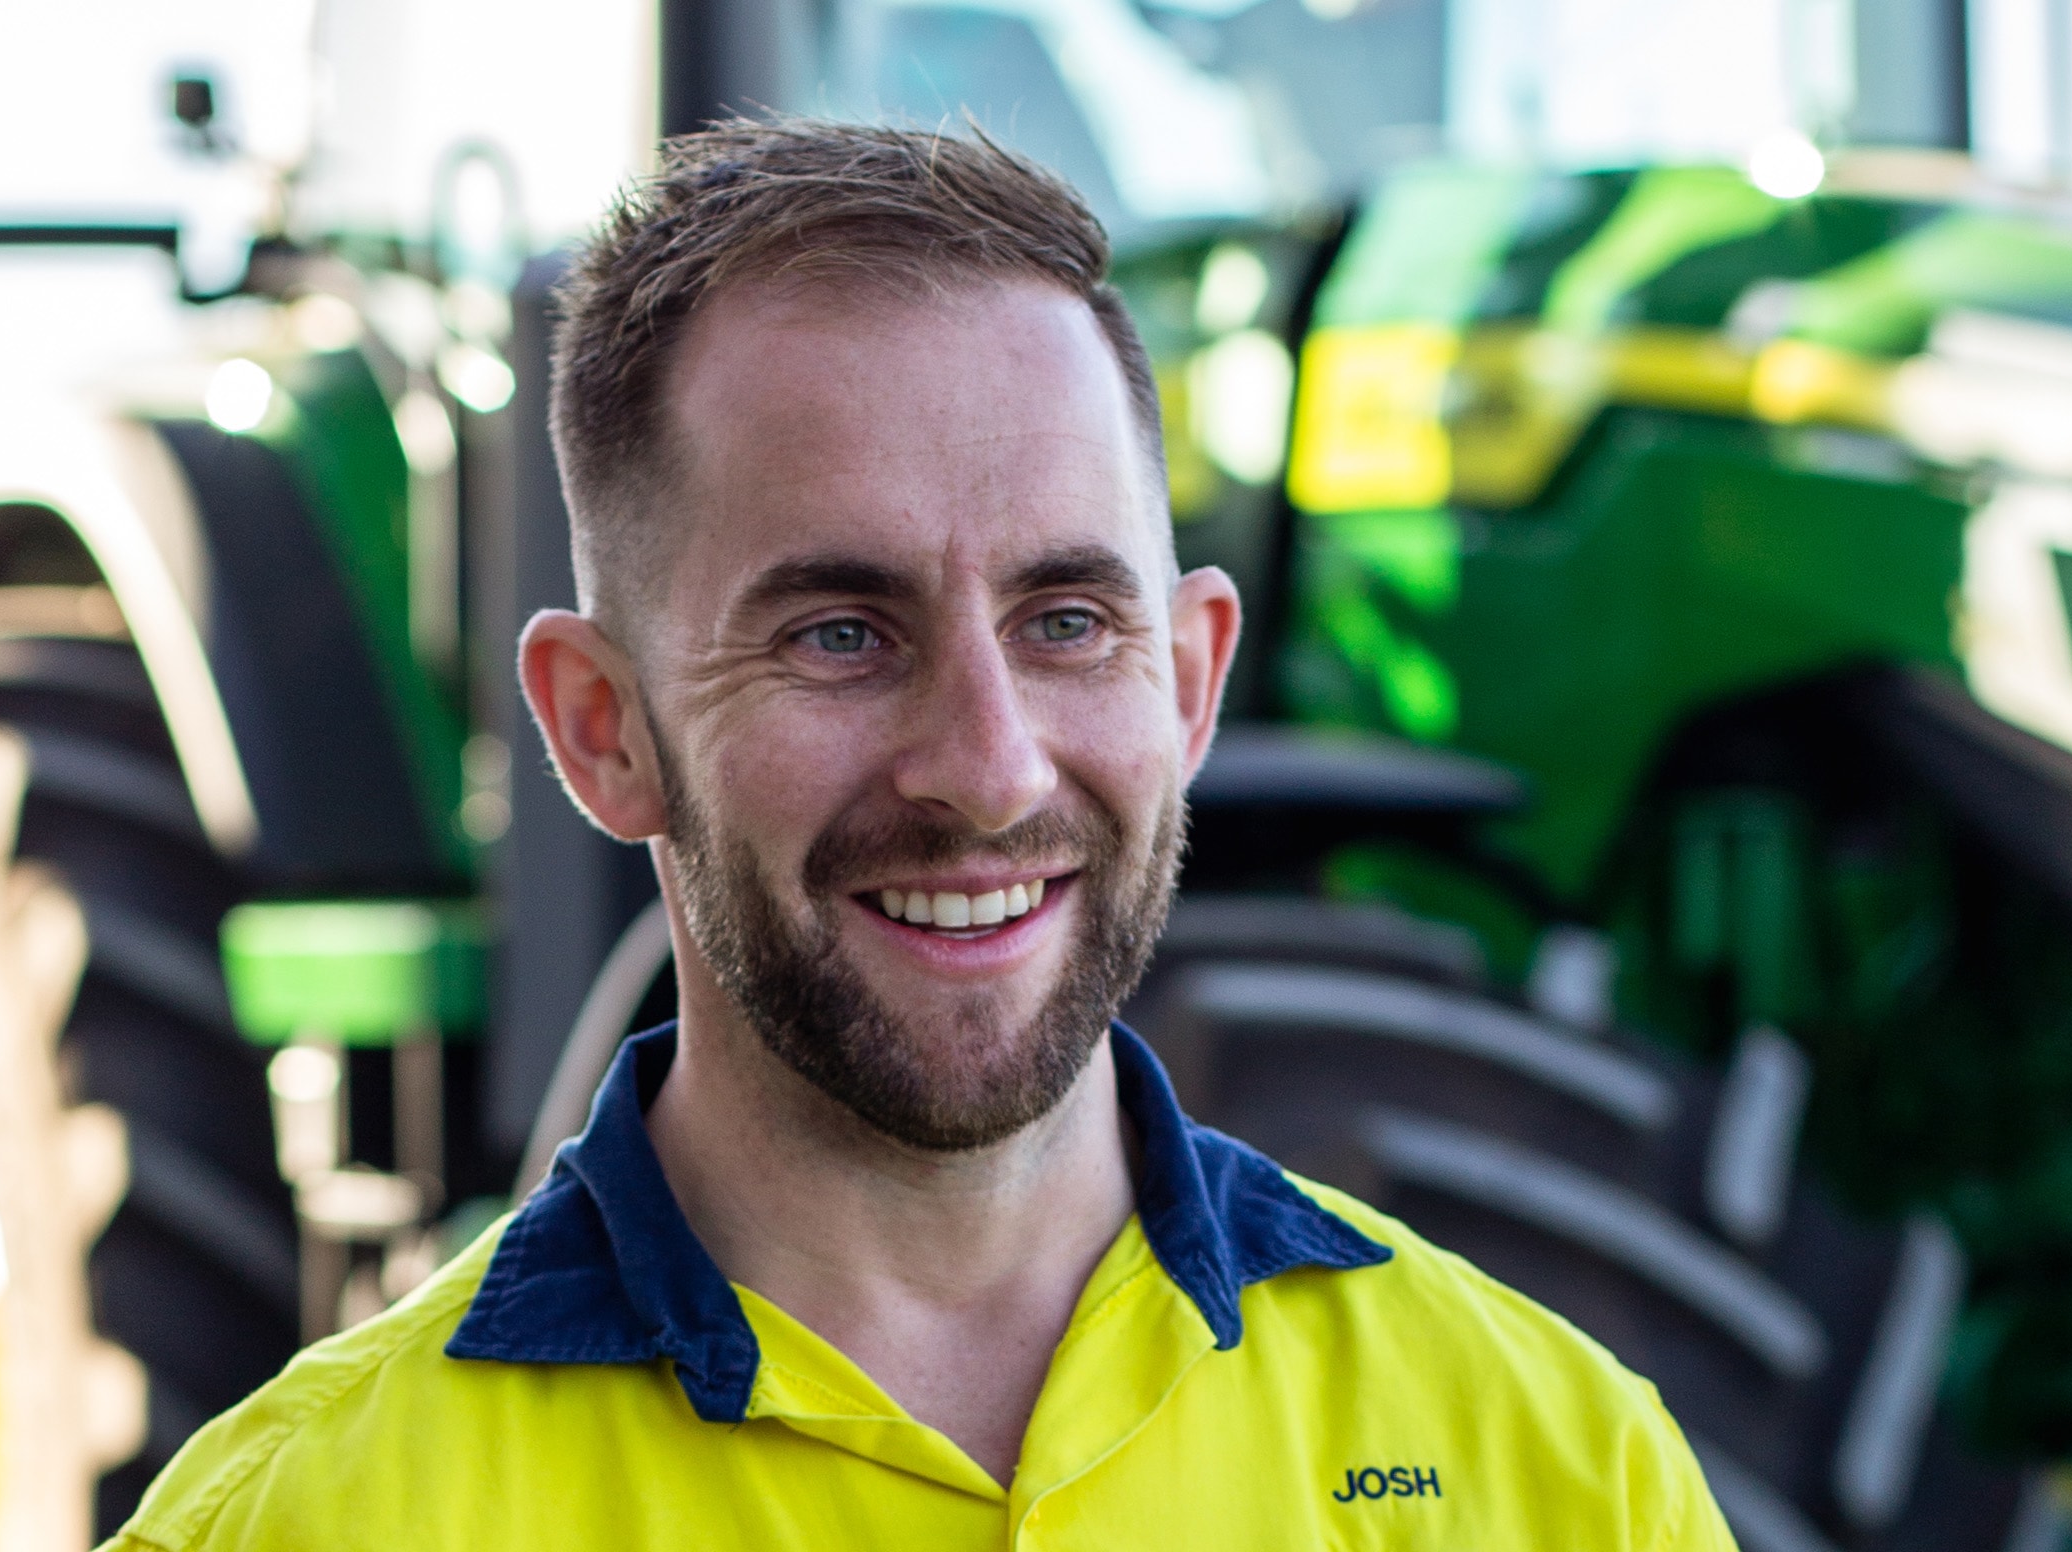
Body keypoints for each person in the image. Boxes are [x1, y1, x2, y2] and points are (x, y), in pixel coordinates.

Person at [108, 118, 1733, 1550]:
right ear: (603, 731)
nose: (987, 768)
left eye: (1070, 621)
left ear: (1192, 680)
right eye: (839, 633)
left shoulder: (1560, 1473)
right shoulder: (309, 1524)